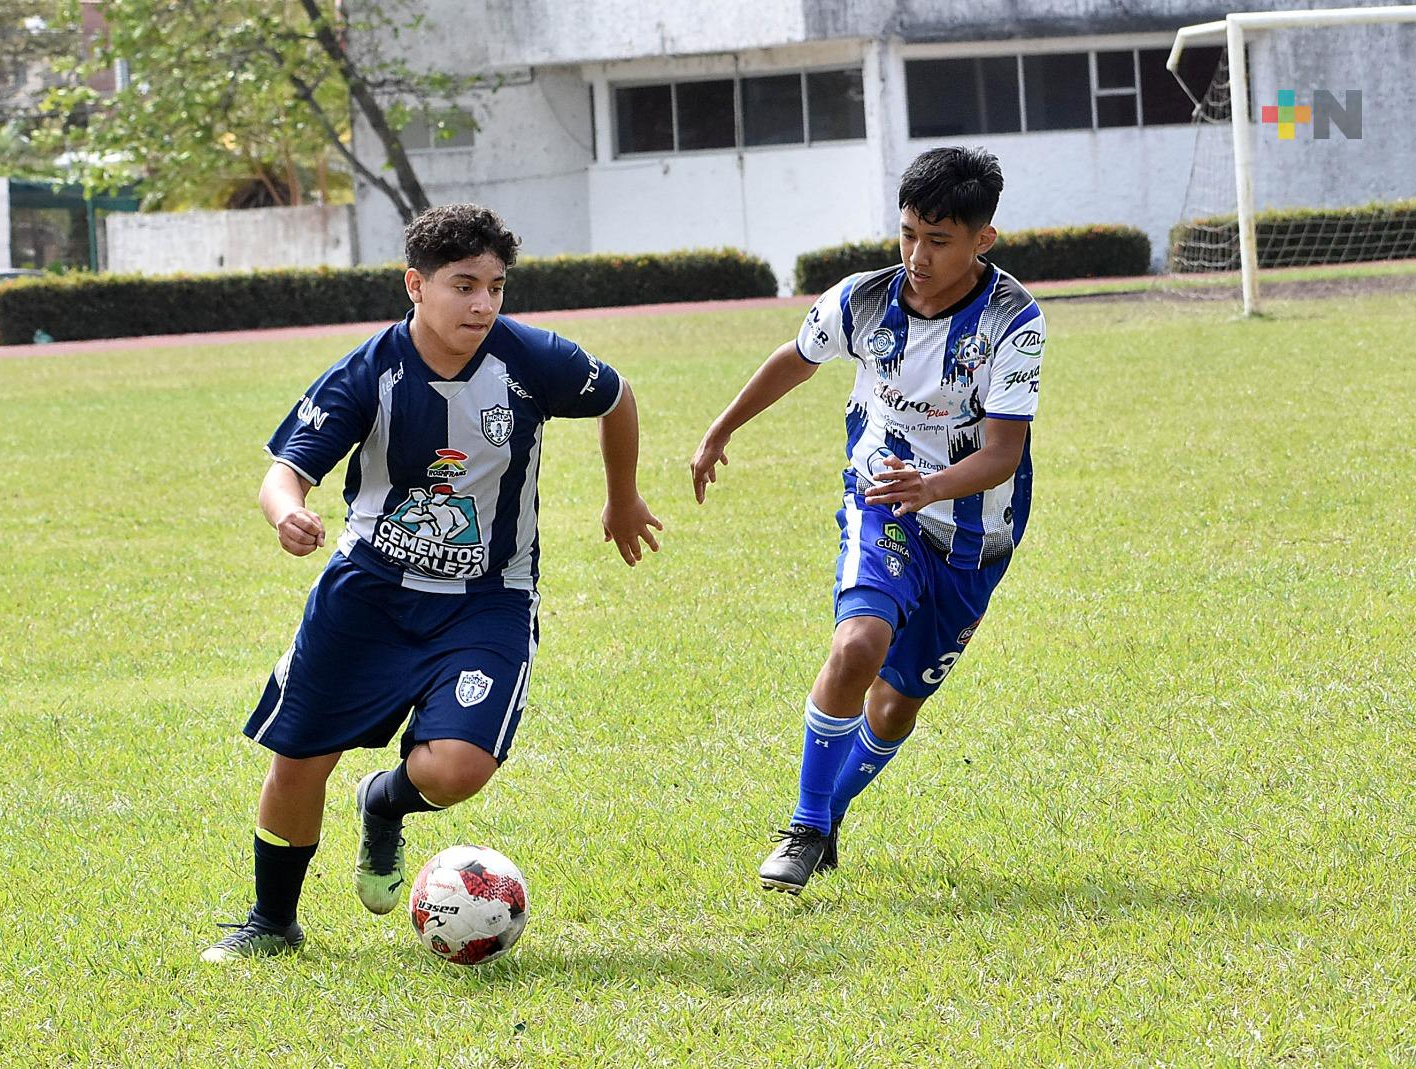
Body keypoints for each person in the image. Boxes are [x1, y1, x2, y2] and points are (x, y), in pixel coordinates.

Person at [203, 204, 662, 960]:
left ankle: (382, 801)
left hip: (490, 599)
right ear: (416, 285)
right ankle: (271, 922)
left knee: (457, 769)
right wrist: (287, 513)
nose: (483, 303)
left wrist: (623, 495)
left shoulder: (530, 359)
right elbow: (284, 471)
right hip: (369, 594)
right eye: (463, 285)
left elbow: (615, 395)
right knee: (299, 760)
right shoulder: (372, 370)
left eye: (495, 286)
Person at [690, 147, 1045, 896]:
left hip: (974, 530)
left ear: (983, 240)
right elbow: (796, 356)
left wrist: (934, 485)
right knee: (857, 644)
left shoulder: (1014, 319)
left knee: (894, 703)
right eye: (909, 232)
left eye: (938, 240)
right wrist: (721, 429)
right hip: (882, 496)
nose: (917, 254)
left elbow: (1004, 454)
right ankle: (805, 823)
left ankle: (829, 816)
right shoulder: (862, 299)